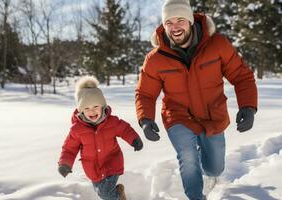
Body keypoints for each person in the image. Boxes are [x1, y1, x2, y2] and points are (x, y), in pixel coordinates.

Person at [135, 0, 258, 199]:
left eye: (180, 20)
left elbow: (241, 76)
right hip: (178, 116)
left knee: (215, 168)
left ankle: (209, 172)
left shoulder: (217, 45)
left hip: (213, 116)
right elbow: (145, 94)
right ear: (164, 25)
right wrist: (145, 120)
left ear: (191, 21)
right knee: (188, 156)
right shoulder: (155, 58)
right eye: (169, 22)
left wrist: (248, 107)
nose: (175, 27)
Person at [58, 76, 143, 200]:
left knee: (105, 194)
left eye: (95, 107)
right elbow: (69, 148)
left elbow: (124, 129)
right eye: (86, 108)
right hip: (93, 169)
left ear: (103, 106)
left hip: (112, 162)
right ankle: (118, 193)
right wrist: (65, 163)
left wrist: (134, 139)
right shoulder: (77, 130)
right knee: (100, 192)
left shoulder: (112, 122)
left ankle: (119, 197)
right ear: (81, 111)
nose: (91, 112)